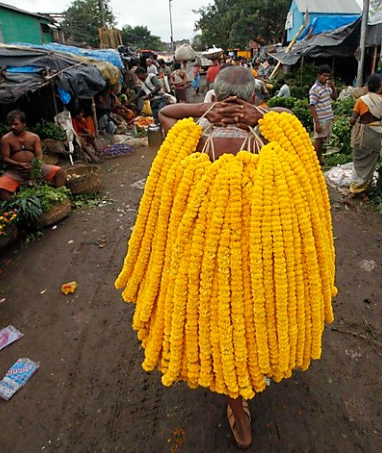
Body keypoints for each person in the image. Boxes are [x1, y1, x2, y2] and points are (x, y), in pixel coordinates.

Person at [159, 66, 295, 449]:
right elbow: (294, 126)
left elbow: (165, 113)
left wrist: (205, 112)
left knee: (219, 318)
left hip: (207, 254)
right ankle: (244, 396)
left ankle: (236, 402)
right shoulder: (269, 136)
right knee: (254, 318)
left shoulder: (197, 136)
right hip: (259, 252)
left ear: (214, 97)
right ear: (254, 99)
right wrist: (262, 115)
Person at [0, 110, 66, 201]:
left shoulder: (34, 137)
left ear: (24, 124)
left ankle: (59, 197)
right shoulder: (5, 139)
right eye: (10, 125)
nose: (13, 127)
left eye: (16, 124)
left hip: (35, 168)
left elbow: (39, 154)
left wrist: (36, 165)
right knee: (1, 186)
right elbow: (5, 158)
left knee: (59, 172)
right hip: (16, 171)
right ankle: (14, 207)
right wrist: (19, 164)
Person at [348, 74, 382, 197]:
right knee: (371, 163)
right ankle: (364, 190)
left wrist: (352, 124)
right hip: (376, 135)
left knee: (358, 161)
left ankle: (354, 189)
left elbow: (353, 120)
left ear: (368, 86)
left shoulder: (361, 100)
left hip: (363, 135)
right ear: (380, 87)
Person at [309, 64, 338, 163]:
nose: (326, 78)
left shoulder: (327, 86)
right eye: (324, 76)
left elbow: (334, 97)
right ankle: (314, 160)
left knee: (322, 140)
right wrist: (316, 123)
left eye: (328, 76)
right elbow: (312, 105)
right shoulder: (314, 89)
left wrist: (333, 87)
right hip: (320, 119)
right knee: (318, 140)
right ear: (319, 75)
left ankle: (319, 159)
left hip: (327, 118)